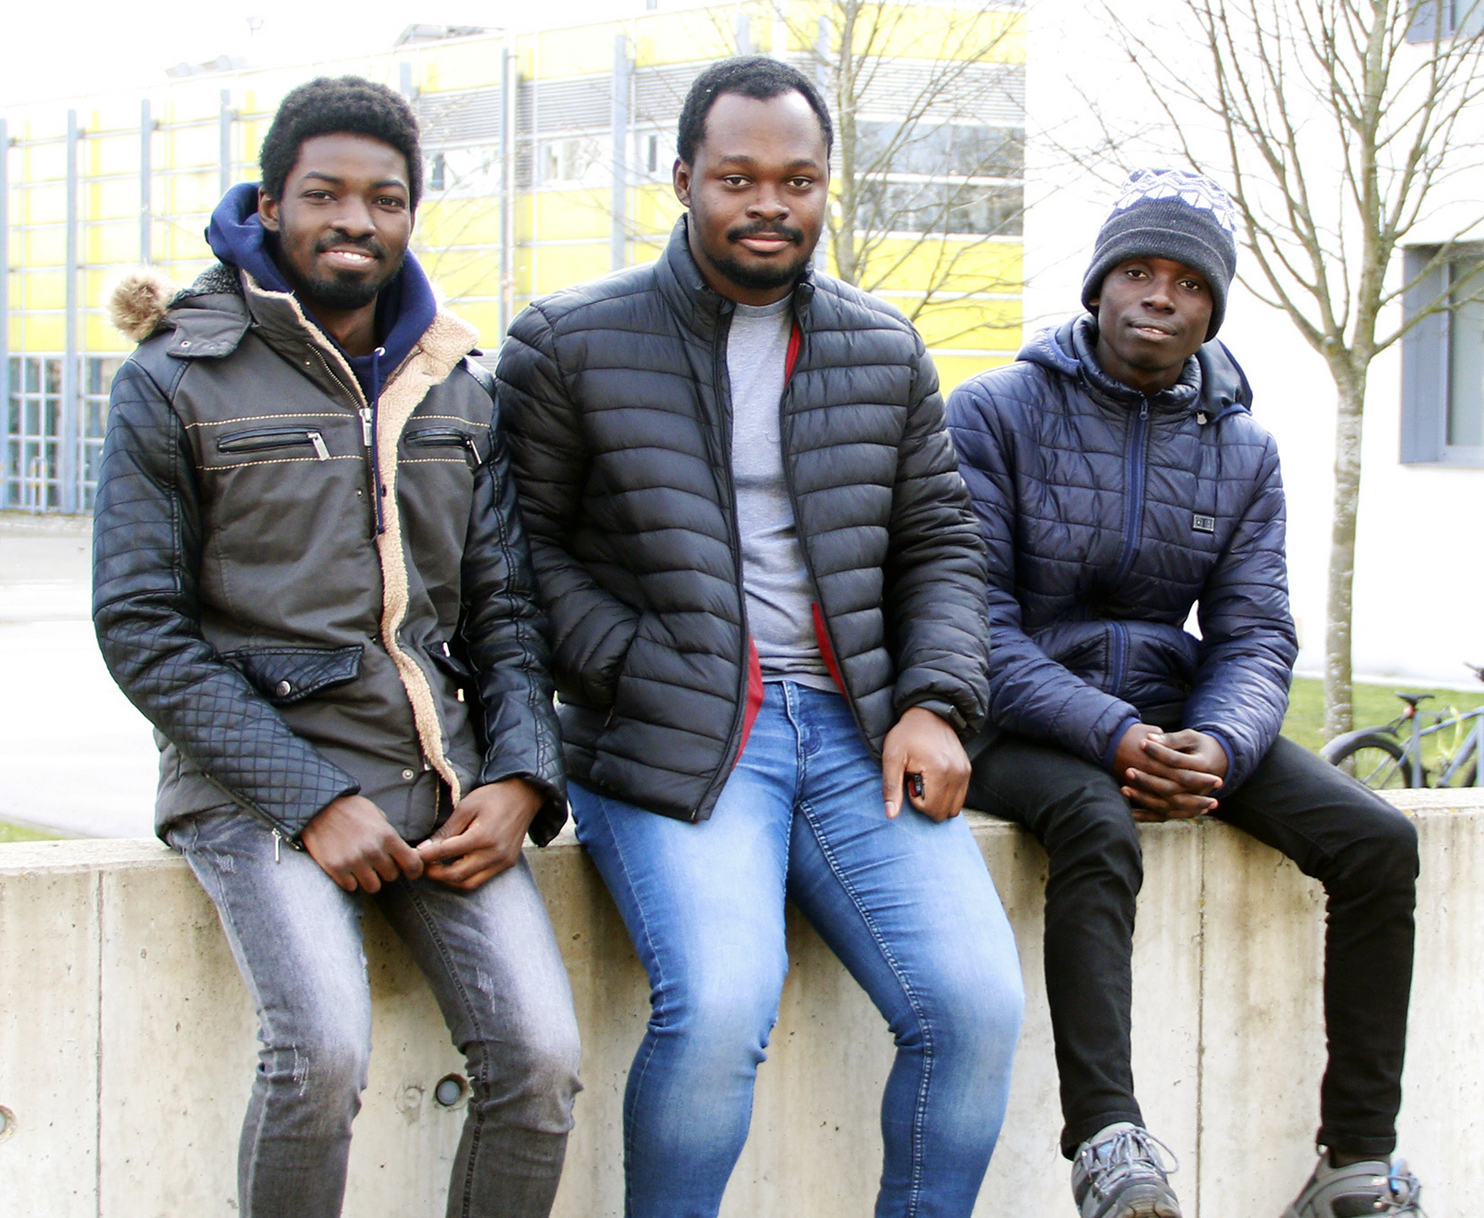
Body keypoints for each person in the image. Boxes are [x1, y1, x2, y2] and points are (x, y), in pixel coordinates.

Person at [495, 54, 1025, 1218]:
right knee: (726, 1003)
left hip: (853, 729)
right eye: (738, 178)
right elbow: (521, 562)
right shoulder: (569, 343)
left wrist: (936, 699)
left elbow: (939, 545)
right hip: (673, 733)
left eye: (798, 180)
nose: (770, 205)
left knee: (976, 1008)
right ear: (682, 178)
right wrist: (642, 670)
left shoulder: (882, 349)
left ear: (829, 185)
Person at [93, 76, 581, 1218]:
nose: (355, 219)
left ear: (412, 214)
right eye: (325, 193)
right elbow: (141, 628)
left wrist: (520, 776)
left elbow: (504, 615)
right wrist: (309, 799)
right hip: (255, 788)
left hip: (438, 782)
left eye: (386, 198)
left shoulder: (458, 387)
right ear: (271, 204)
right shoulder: (174, 376)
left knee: (544, 1060)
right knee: (317, 1054)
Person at [946, 169, 1424, 1218]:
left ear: (1211, 308)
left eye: (1186, 283)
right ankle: (1109, 1145)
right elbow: (971, 625)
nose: (1159, 296)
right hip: (1015, 718)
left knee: (1377, 842)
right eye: (1136, 271)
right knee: (1090, 821)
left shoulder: (1243, 452)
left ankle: (1353, 1160)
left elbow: (1254, 633)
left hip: (1171, 724)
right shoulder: (993, 413)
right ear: (1097, 287)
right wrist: (1112, 736)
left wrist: (1220, 741)